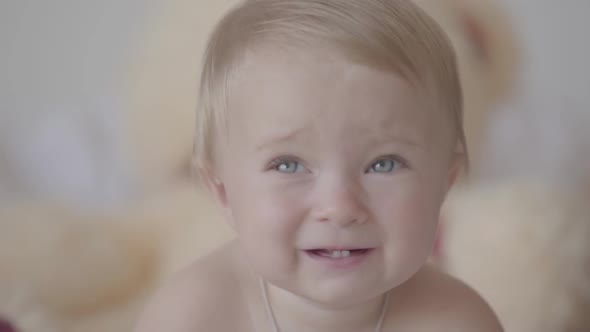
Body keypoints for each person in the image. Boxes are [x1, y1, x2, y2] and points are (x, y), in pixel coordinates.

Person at [135, 0, 503, 331]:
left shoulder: (458, 320)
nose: (340, 208)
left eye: (384, 164)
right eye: (289, 165)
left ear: (445, 183)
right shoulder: (191, 316)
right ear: (222, 192)